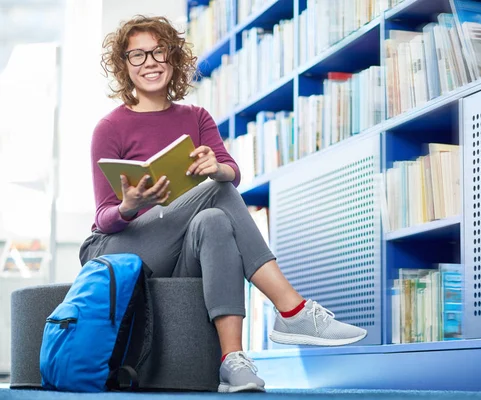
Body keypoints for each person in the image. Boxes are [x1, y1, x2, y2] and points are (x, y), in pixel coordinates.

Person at [78, 15, 367, 393]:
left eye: (158, 51)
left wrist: (218, 167)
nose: (149, 62)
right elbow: (103, 217)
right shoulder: (110, 128)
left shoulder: (196, 117)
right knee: (217, 191)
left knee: (215, 216)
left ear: (173, 57)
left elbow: (231, 171)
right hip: (120, 250)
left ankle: (232, 361)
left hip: (178, 251)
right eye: (137, 56)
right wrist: (130, 204)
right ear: (124, 66)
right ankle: (292, 309)